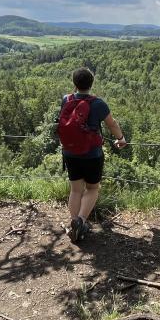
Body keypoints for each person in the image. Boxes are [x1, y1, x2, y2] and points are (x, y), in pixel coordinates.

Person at [57, 67, 126, 242]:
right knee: (93, 188)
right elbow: (112, 124)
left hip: (70, 152)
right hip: (92, 154)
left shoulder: (66, 99)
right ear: (92, 83)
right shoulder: (99, 104)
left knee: (75, 189)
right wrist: (121, 138)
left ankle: (75, 223)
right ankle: (80, 221)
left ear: (74, 83)